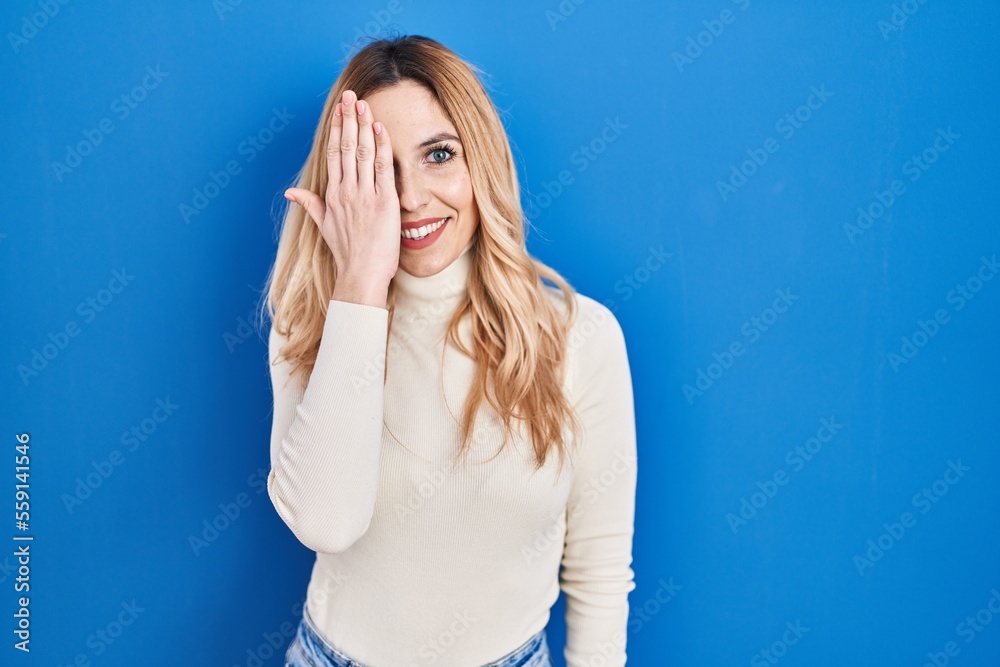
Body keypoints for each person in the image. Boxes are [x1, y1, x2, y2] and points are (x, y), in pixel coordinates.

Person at [260, 34, 637, 667]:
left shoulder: (581, 337)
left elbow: (599, 573)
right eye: (380, 170)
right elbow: (326, 523)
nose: (409, 198)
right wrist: (360, 286)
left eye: (438, 155)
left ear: (481, 160)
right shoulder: (312, 325)